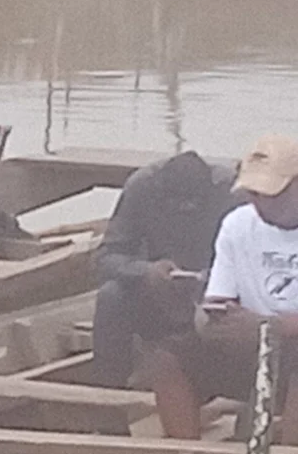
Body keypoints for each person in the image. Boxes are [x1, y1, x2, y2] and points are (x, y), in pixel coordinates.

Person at [148, 135, 298, 454]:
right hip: (255, 342)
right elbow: (220, 297)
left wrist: (270, 327)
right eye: (255, 194)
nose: (262, 204)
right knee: (168, 359)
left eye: (272, 195)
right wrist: (213, 318)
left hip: (287, 342)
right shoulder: (237, 224)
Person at [93, 150, 237, 389]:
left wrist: (215, 278)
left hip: (217, 296)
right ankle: (108, 389)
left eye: (193, 204)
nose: (186, 209)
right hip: (157, 293)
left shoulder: (231, 192)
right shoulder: (141, 187)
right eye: (178, 204)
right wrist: (145, 271)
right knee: (111, 296)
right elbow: (106, 256)